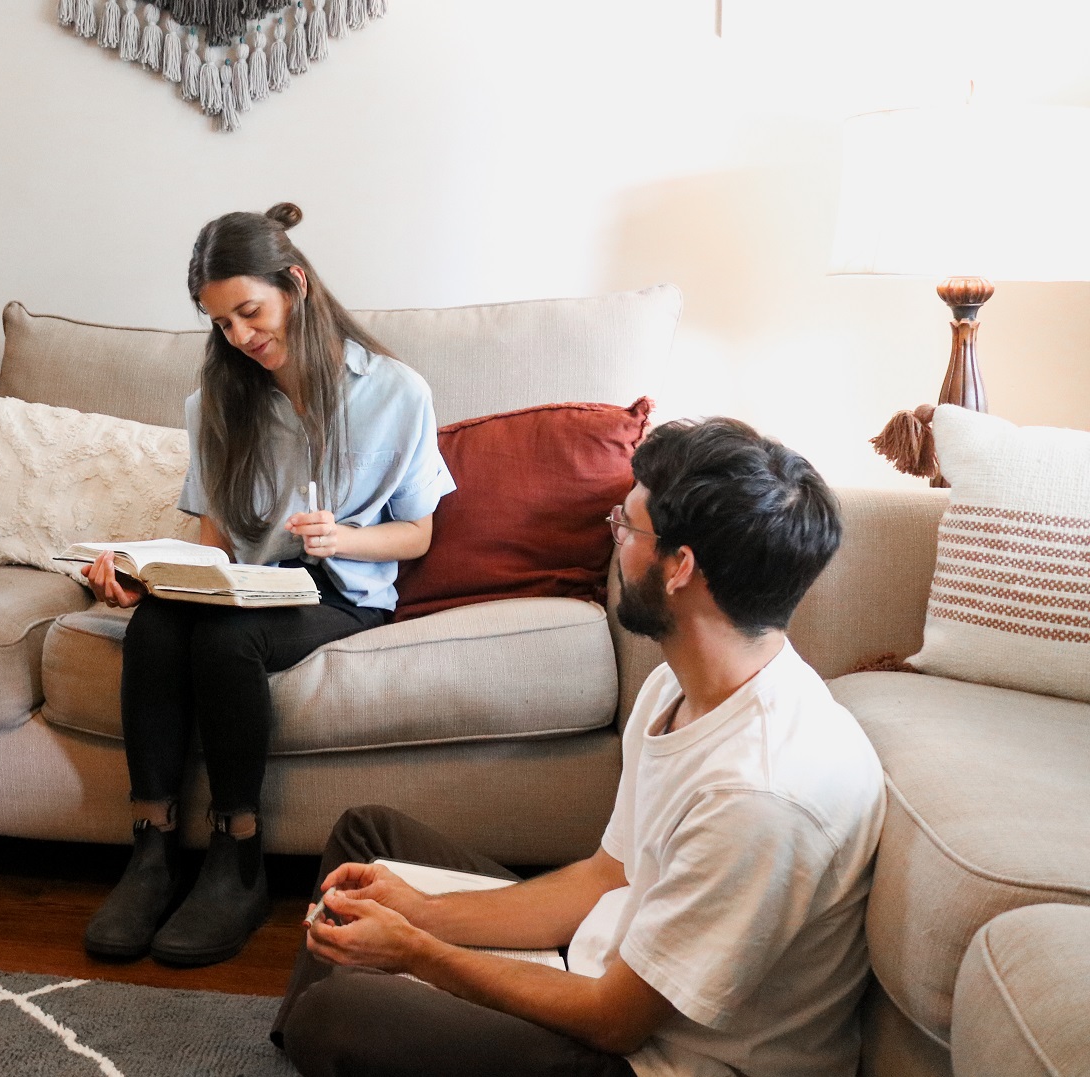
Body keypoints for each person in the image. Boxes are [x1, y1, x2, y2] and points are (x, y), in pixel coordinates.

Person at [275, 418, 883, 1077]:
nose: (615, 537)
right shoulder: (676, 688)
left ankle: (331, 1035)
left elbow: (614, 1021)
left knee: (342, 1013)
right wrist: (418, 911)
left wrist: (417, 949)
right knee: (367, 838)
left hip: (656, 1058)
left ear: (681, 567)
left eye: (627, 525)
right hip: (604, 961)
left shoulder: (759, 795)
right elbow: (606, 875)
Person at [82, 202, 455, 968]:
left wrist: (344, 536)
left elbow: (417, 533)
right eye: (220, 323)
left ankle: (238, 857)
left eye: (249, 312)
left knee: (226, 637)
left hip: (341, 592)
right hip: (248, 582)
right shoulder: (215, 399)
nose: (240, 337)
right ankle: (151, 852)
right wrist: (149, 578)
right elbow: (215, 536)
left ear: (296, 283)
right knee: (157, 623)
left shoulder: (397, 390)